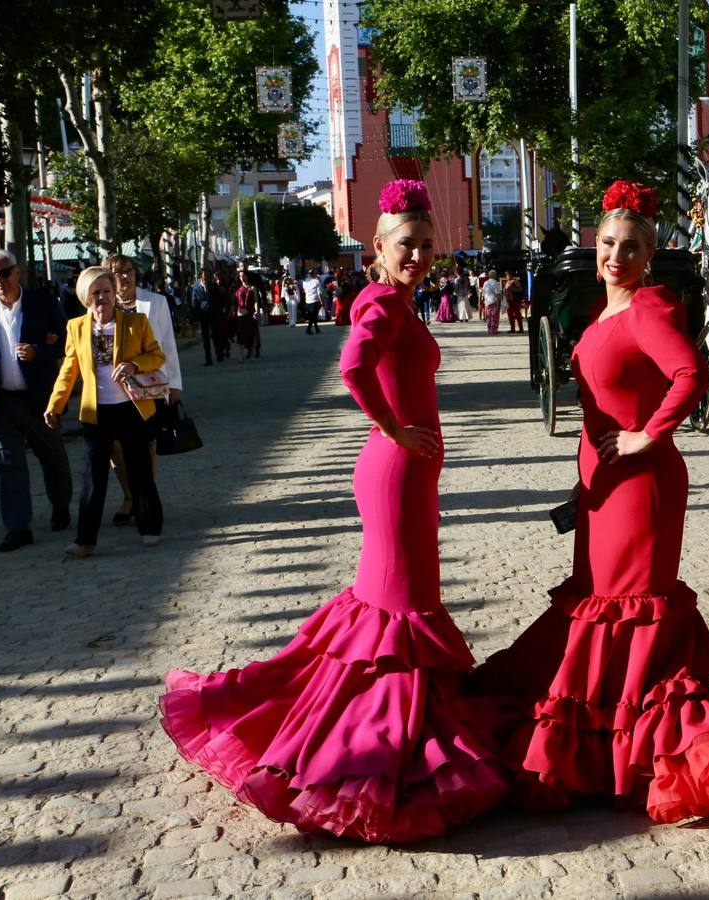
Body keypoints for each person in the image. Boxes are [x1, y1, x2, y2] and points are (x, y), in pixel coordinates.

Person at [465, 180, 709, 822]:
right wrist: (590, 474)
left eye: (630, 247)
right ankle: (604, 738)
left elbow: (690, 372)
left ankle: (646, 748)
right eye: (608, 243)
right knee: (597, 605)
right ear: (594, 244)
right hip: (601, 487)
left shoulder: (647, 308)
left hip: (641, 486)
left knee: (631, 614)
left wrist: (647, 435)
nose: (616, 256)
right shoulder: (601, 312)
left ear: (650, 253)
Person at [159, 178, 506, 842]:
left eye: (427, 244)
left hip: (406, 472)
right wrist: (393, 428)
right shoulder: (383, 299)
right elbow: (353, 366)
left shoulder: (398, 300)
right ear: (378, 245)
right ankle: (374, 744)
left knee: (394, 603)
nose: (419, 255)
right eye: (407, 244)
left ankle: (394, 723)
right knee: (400, 609)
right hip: (395, 471)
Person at [45, 266, 164, 557]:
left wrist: (134, 365)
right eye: (96, 292)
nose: (103, 297)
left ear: (114, 293)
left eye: (107, 291)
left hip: (132, 408)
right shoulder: (76, 327)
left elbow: (156, 356)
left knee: (139, 469)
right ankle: (85, 540)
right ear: (85, 297)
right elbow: (68, 370)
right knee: (92, 476)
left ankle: (150, 526)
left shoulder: (136, 322)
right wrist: (54, 405)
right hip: (96, 413)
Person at [0, 249, 73, 552]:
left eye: (3, 273)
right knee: (9, 463)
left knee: (52, 455)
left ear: (17, 271)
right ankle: (18, 527)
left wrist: (39, 352)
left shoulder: (43, 302)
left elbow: (68, 344)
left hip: (39, 399)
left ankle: (61, 504)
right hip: (1, 402)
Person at [106, 254, 183, 528]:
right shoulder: (101, 305)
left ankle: (145, 497)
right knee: (115, 446)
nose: (124, 277)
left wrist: (175, 384)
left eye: (128, 271)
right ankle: (129, 495)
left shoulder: (155, 302)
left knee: (144, 444)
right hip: (114, 388)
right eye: (117, 272)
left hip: (150, 386)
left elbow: (168, 345)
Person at [233, 267, 261, 361]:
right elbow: (234, 302)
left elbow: (256, 301)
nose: (242, 277)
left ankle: (251, 353)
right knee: (240, 335)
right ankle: (241, 355)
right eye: (240, 276)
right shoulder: (237, 288)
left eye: (243, 275)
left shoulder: (252, 288)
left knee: (251, 334)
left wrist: (256, 311)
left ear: (247, 276)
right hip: (240, 314)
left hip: (250, 313)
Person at [190, 270, 214, 367]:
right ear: (201, 276)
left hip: (213, 314)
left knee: (216, 335)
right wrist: (196, 315)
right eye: (205, 275)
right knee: (206, 338)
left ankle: (220, 353)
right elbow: (194, 302)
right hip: (203, 315)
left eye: (208, 274)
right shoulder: (195, 287)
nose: (207, 276)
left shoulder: (211, 285)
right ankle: (208, 358)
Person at [481, 269, 503, 335]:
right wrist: (501, 299)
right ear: (494, 275)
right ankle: (493, 330)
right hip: (494, 301)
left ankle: (489, 329)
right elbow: (498, 293)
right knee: (494, 316)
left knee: (489, 316)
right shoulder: (495, 283)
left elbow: (483, 293)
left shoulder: (485, 283)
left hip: (487, 301)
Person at [302, 269, 323, 334]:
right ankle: (308, 329)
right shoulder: (316, 281)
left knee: (312, 315)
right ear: (313, 274)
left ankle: (317, 329)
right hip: (315, 300)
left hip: (308, 300)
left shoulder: (304, 282)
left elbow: (304, 290)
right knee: (313, 316)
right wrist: (321, 301)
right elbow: (319, 292)